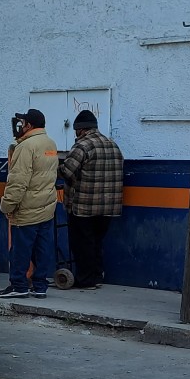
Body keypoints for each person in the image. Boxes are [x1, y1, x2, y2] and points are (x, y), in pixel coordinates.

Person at [59, 110, 124, 289]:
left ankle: (86, 279)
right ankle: (96, 276)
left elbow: (66, 171)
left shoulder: (82, 146)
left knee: (83, 243)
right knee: (96, 241)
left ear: (80, 130)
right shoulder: (112, 144)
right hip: (109, 207)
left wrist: (54, 167)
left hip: (84, 205)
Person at [0, 109, 58, 299]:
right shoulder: (50, 144)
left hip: (26, 210)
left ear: (29, 125)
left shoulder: (25, 147)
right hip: (47, 208)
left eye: (23, 123)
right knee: (42, 249)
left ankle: (19, 285)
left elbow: (17, 182)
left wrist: (7, 206)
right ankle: (40, 286)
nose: (20, 126)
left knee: (20, 251)